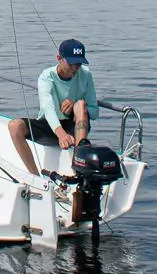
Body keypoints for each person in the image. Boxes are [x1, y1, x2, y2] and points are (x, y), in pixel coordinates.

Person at [9, 38, 97, 175]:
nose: (75, 68)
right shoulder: (46, 77)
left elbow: (95, 112)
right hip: (51, 126)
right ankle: (35, 176)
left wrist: (74, 104)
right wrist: (61, 134)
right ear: (59, 58)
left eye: (79, 63)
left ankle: (80, 162)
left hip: (74, 127)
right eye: (72, 63)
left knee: (81, 104)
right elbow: (48, 109)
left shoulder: (86, 75)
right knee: (14, 126)